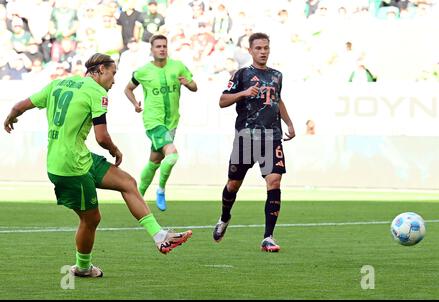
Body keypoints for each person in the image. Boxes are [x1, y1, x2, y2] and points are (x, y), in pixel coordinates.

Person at [3, 53, 192, 278]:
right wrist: (115, 150)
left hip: (78, 157)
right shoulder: (97, 92)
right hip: (70, 168)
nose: (113, 81)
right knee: (91, 219)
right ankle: (82, 267)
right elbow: (101, 137)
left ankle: (160, 237)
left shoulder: (58, 83)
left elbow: (20, 105)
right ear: (100, 70)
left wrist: (10, 117)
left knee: (128, 183)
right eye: (113, 74)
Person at [213, 32, 295, 252]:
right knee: (233, 184)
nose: (263, 52)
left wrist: (289, 123)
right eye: (258, 48)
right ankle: (224, 216)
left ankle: (268, 237)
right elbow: (222, 101)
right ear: (250, 51)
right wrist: (244, 93)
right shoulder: (241, 75)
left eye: (266, 48)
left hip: (271, 137)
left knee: (274, 181)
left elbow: (277, 100)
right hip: (246, 138)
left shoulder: (277, 75)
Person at [124, 35, 197, 211]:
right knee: (172, 155)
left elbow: (195, 87)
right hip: (153, 121)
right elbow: (127, 88)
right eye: (158, 46)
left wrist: (188, 83)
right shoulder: (143, 71)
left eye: (164, 46)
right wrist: (135, 103)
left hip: (172, 121)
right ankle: (161, 190)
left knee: (155, 160)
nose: (162, 49)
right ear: (152, 49)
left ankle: (138, 195)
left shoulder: (177, 66)